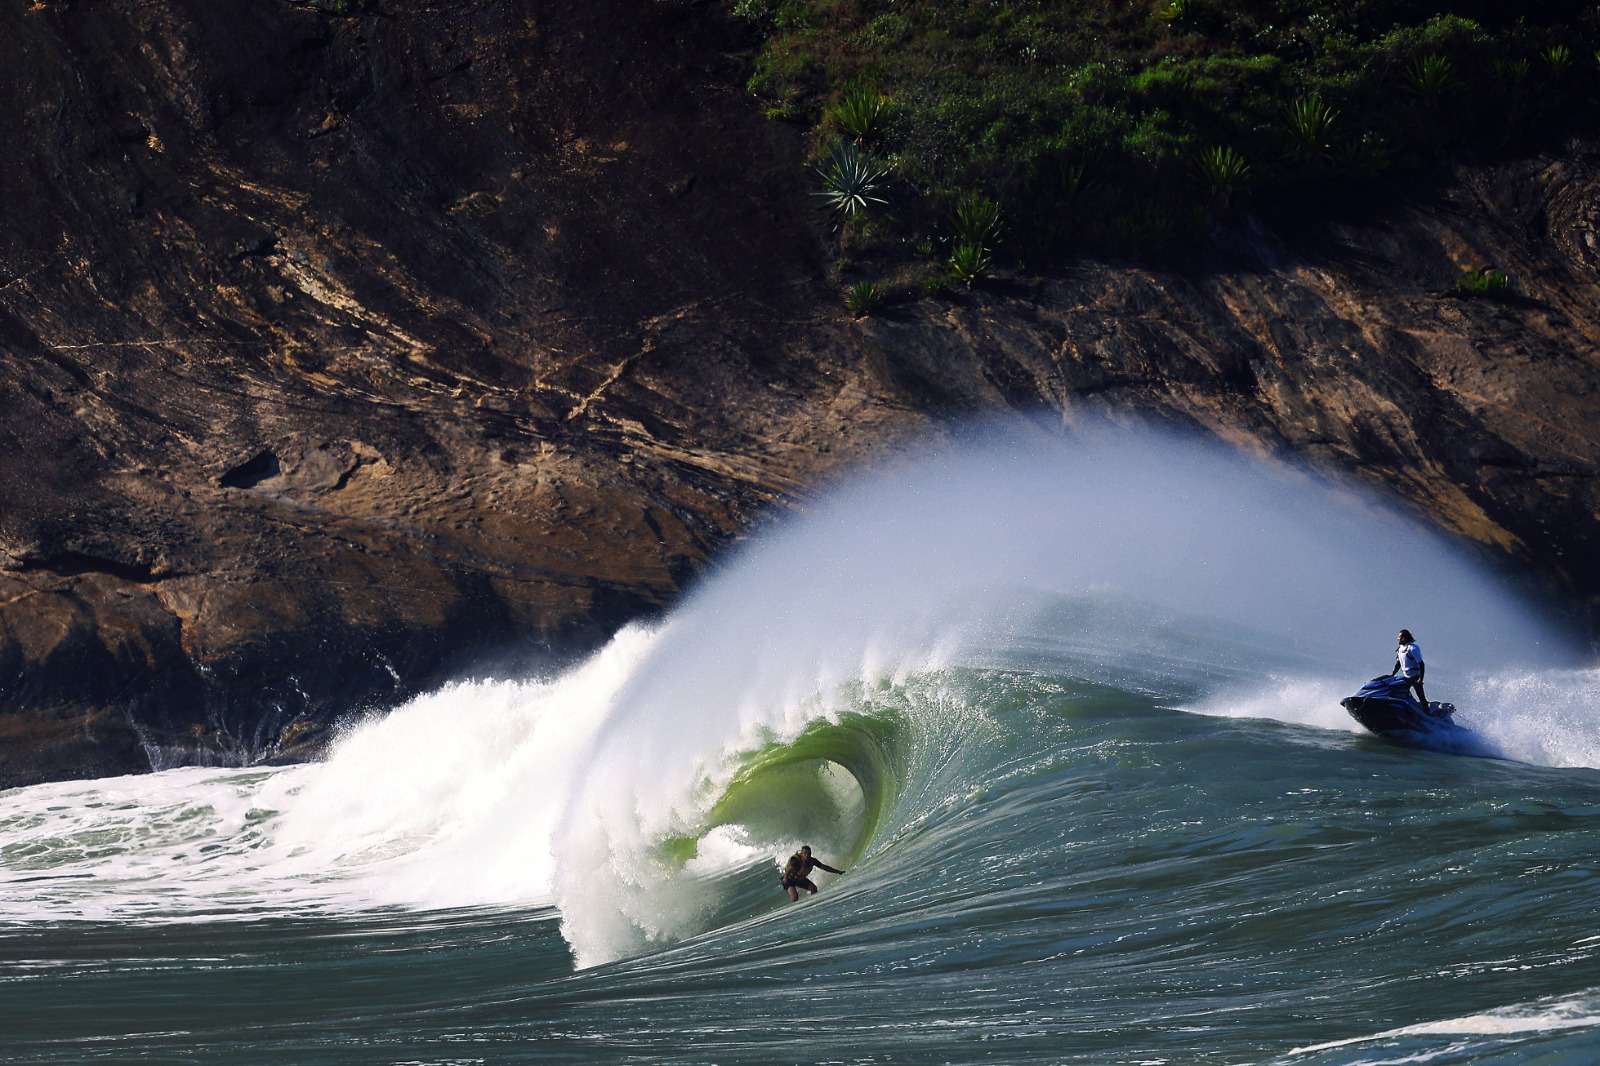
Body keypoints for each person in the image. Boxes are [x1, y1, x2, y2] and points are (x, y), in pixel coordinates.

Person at [780, 845, 844, 902]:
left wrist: (838, 872)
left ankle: (813, 903)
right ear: (802, 854)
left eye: (808, 854)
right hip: (789, 879)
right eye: (805, 853)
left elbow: (824, 867)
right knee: (795, 896)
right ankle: (794, 908)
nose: (807, 855)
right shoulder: (796, 862)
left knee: (813, 889)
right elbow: (789, 870)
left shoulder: (812, 861)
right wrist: (785, 878)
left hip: (799, 879)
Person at [1391, 629, 1428, 711]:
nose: (1397, 639)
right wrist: (1392, 674)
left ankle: (1427, 712)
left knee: (1421, 696)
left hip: (1415, 677)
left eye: (1399, 637)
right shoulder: (1400, 649)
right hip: (1406, 678)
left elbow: (1421, 663)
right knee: (1401, 694)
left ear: (1404, 638)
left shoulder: (1412, 648)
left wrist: (1420, 678)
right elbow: (1398, 663)